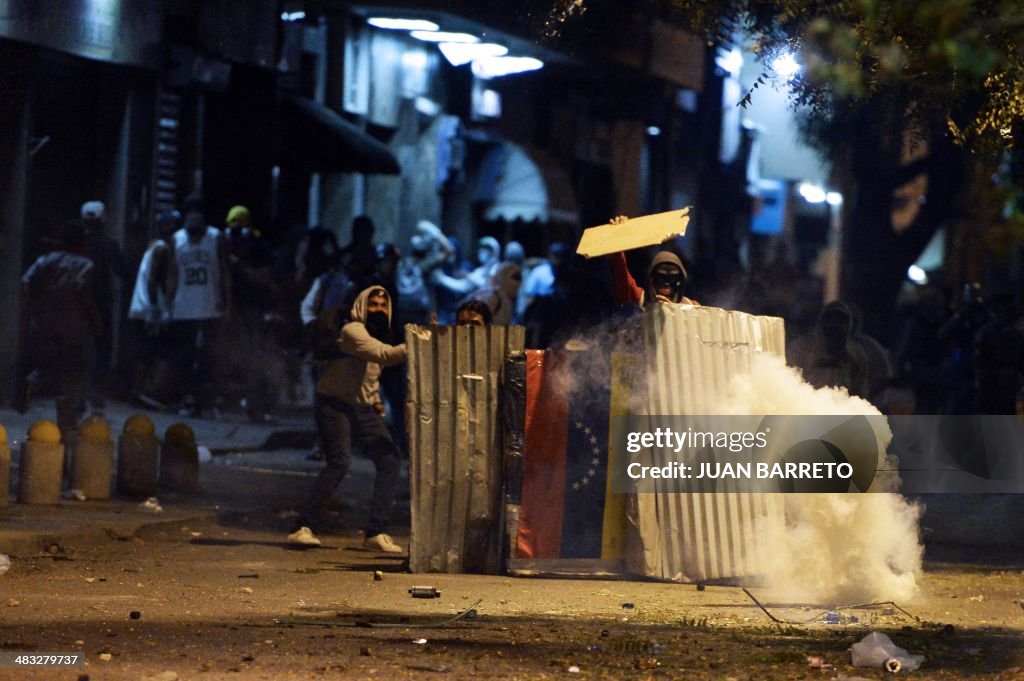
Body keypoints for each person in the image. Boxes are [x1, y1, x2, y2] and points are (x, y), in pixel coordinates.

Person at [289, 286, 407, 553]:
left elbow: (371, 372)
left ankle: (376, 532)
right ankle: (302, 527)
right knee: (339, 462)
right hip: (334, 404)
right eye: (373, 304)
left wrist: (375, 399)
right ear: (361, 306)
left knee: (389, 460)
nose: (378, 309)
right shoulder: (353, 330)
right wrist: (419, 343)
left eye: (383, 305)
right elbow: (385, 356)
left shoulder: (378, 333)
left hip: (363, 407)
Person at [20, 220, 102, 444]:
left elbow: (26, 283)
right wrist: (95, 319)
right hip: (73, 326)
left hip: (45, 322)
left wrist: (35, 307)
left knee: (47, 365)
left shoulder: (47, 260)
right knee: (72, 375)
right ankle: (68, 423)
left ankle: (32, 381)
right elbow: (82, 290)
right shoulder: (84, 264)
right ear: (81, 244)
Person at [168, 195, 231, 418]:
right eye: (190, 213)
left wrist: (227, 302)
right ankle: (187, 399)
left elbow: (224, 271)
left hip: (209, 306)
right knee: (184, 357)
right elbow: (173, 273)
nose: (193, 218)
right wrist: (168, 304)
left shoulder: (216, 237)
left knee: (208, 357)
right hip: (184, 307)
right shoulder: (177, 239)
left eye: (198, 213)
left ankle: (206, 401)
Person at [80, 200, 130, 410]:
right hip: (101, 302)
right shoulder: (110, 244)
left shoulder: (78, 242)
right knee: (102, 347)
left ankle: (78, 393)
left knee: (80, 346)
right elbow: (123, 271)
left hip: (80, 300)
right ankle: (96, 394)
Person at [127, 210, 180, 407]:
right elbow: (153, 280)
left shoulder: (153, 246)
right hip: (148, 310)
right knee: (155, 354)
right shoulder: (162, 249)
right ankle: (148, 392)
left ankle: (140, 392)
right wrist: (155, 309)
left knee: (147, 353)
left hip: (142, 308)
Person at [788, 301, 869, 398]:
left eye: (840, 320)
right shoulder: (801, 348)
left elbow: (860, 390)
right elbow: (789, 383)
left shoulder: (856, 353)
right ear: (821, 322)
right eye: (830, 319)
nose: (835, 325)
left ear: (849, 325)